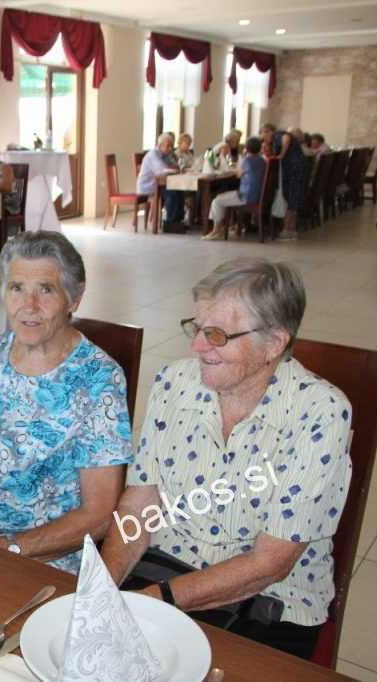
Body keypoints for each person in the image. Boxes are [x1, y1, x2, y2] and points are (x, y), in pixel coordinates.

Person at [101, 258, 352, 660]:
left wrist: (152, 601)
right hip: (166, 567)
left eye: (216, 334)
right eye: (197, 327)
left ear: (274, 343)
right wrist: (105, 586)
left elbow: (270, 563)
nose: (197, 346)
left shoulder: (320, 413)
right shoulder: (174, 383)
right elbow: (139, 503)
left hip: (269, 603)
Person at [0, 230, 132, 573]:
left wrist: (4, 550)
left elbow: (98, 515)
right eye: (17, 288)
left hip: (37, 560)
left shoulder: (98, 379)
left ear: (74, 299)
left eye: (46, 290)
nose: (29, 306)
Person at [204, 137, 266, 241]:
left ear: (246, 148)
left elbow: (238, 174)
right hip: (256, 194)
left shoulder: (247, 160)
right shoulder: (262, 160)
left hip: (245, 196)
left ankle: (216, 230)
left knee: (217, 200)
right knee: (222, 196)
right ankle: (222, 227)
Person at [137, 133, 184, 229]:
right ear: (160, 145)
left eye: (171, 146)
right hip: (148, 185)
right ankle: (170, 223)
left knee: (180, 190)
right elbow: (161, 171)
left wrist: (172, 166)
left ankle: (178, 221)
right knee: (171, 192)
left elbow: (176, 167)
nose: (170, 148)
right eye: (168, 146)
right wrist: (171, 169)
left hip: (160, 184)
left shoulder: (166, 154)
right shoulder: (153, 155)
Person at [274, 128, 306, 240]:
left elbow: (286, 137)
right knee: (292, 198)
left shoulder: (277, 135)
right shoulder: (296, 146)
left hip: (293, 170)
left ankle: (288, 230)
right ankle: (291, 229)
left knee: (289, 197)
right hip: (296, 169)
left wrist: (281, 155)